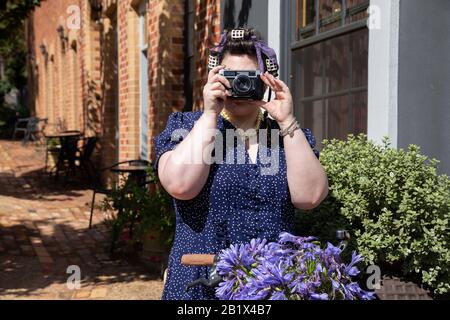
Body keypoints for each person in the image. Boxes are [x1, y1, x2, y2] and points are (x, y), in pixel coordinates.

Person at [154, 28, 329, 300]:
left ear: (266, 80)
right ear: (214, 76)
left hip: (272, 285)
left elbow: (310, 197)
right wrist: (210, 113)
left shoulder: (288, 135)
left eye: (248, 77)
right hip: (199, 285)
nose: (239, 86)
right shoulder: (186, 127)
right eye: (230, 77)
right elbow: (179, 185)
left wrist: (286, 121)